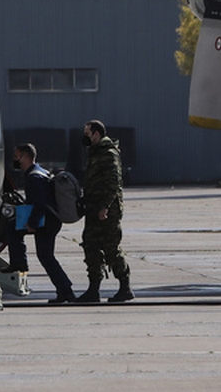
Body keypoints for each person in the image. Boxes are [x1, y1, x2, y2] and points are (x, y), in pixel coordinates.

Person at [75, 120, 132, 303]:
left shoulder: (108, 154)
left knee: (110, 249)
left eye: (87, 133)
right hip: (93, 208)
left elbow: (113, 183)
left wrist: (105, 207)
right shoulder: (95, 152)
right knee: (90, 246)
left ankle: (125, 287)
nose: (85, 136)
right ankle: (93, 290)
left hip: (106, 211)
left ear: (96, 134)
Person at [12, 144, 76, 304]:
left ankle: (65, 290)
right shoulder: (40, 171)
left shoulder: (33, 177)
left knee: (45, 256)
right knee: (46, 256)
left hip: (47, 222)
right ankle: (64, 290)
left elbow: (40, 203)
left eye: (16, 156)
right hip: (50, 220)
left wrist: (32, 223)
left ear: (24, 157)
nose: (15, 160)